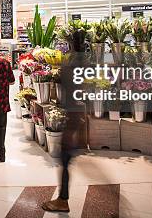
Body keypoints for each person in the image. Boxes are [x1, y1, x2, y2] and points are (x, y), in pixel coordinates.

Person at [43, 33, 88, 213]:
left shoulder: (72, 64)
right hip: (76, 116)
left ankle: (63, 200)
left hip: (72, 117)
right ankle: (62, 198)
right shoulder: (83, 62)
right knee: (66, 160)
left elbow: (70, 91)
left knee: (65, 158)